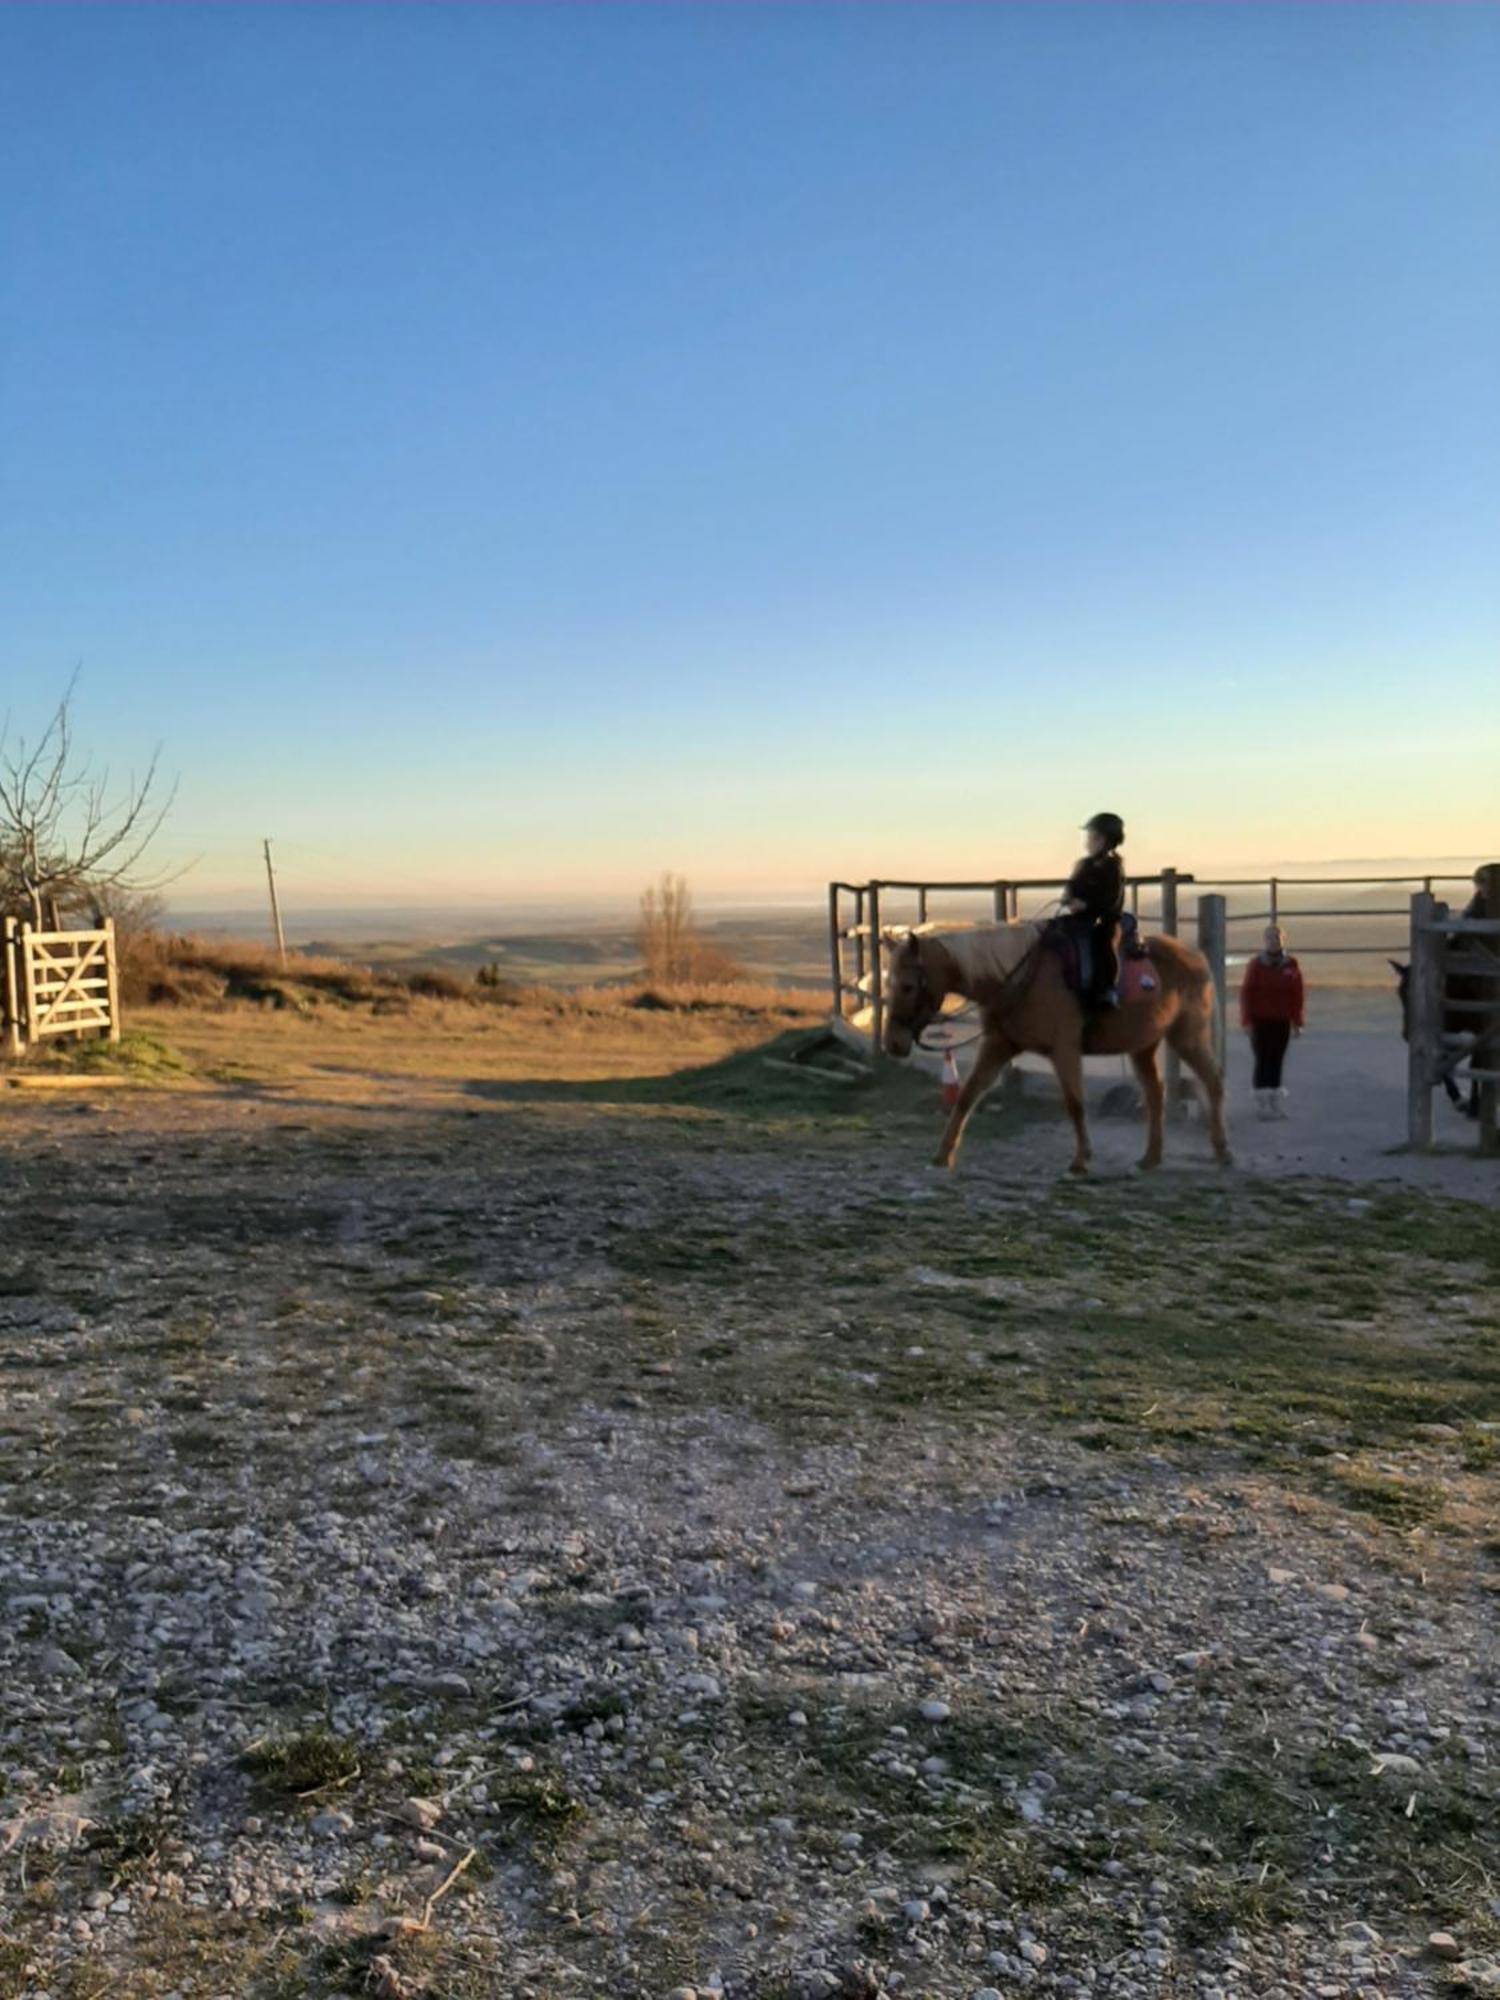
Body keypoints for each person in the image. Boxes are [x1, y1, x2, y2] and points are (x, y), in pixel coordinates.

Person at [1060, 812, 1126, 1009]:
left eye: (1093, 837)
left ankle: (1107, 989)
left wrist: (1087, 906)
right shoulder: (1083, 865)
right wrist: (1068, 897)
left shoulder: (1113, 867)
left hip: (1104, 921)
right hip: (1080, 919)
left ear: (1105, 841)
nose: (1088, 842)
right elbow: (1072, 886)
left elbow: (1111, 900)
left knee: (1103, 943)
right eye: (1089, 837)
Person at [1240, 924, 1304, 1118]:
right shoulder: (1256, 965)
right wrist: (1246, 1021)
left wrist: (1297, 1021)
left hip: (1282, 1020)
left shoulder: (1291, 964)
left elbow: (1297, 994)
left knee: (1277, 1060)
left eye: (1277, 937)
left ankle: (1274, 1103)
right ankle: (1262, 1104)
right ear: (1264, 941)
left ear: (1283, 940)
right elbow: (1247, 993)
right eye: (1270, 938)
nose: (1274, 941)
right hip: (1260, 1020)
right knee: (1262, 1060)